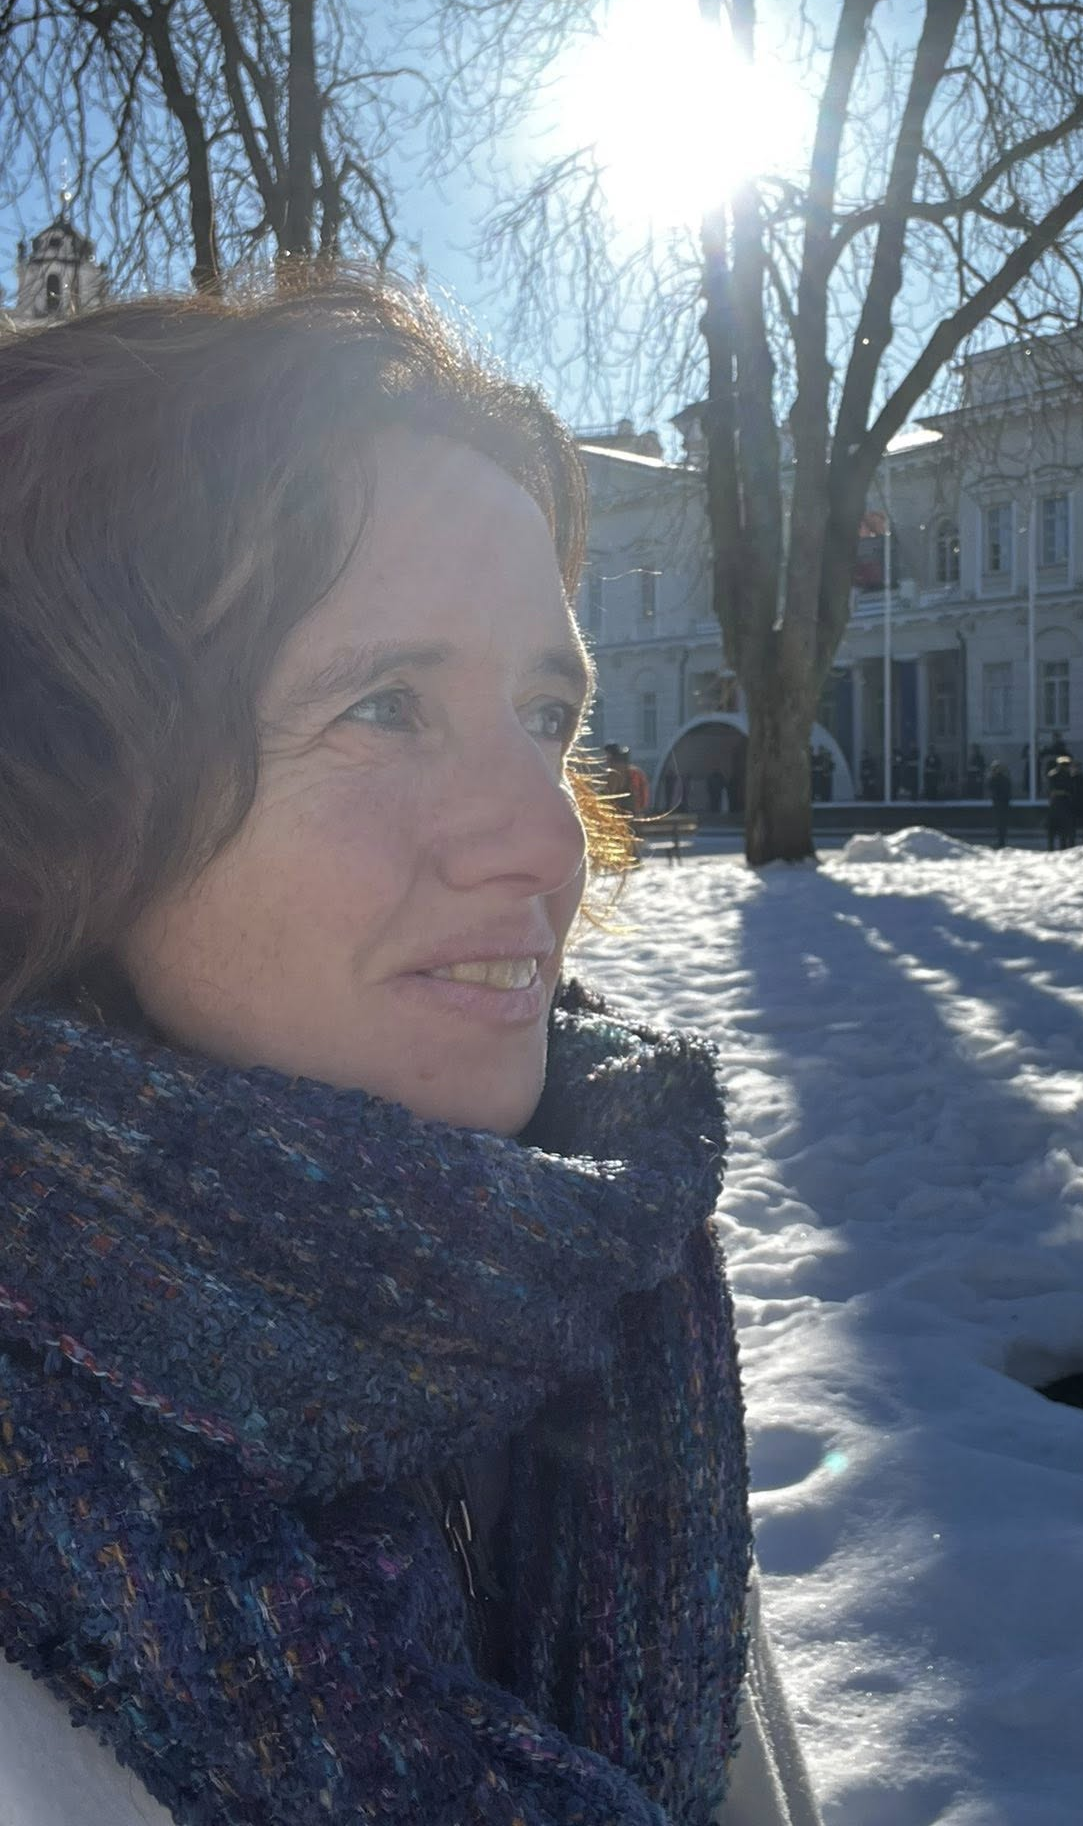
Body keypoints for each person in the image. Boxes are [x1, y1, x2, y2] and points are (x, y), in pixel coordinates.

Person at [0, 286, 820, 1826]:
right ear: (58, 790)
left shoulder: (604, 1301)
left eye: (546, 714)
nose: (549, 845)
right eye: (384, 707)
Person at [1045, 752, 1075, 851]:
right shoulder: (1054, 775)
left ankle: (1062, 847)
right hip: (1057, 804)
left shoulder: (1069, 775)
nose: (1065, 767)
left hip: (1063, 804)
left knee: (1063, 829)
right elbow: (1052, 791)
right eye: (1064, 765)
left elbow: (1071, 790)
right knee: (1054, 828)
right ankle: (1053, 847)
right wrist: (1064, 792)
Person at [987, 758, 1013, 847]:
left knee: (1000, 823)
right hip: (1001, 804)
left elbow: (992, 789)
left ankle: (1001, 841)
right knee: (1001, 823)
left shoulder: (997, 779)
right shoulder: (1003, 779)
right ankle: (1001, 840)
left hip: (1000, 804)